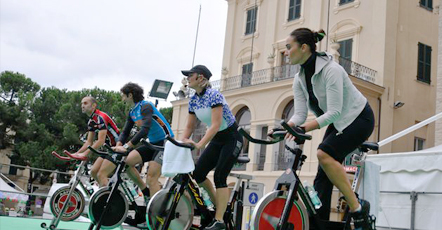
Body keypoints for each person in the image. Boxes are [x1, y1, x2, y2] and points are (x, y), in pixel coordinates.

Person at [277, 28, 375, 230]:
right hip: (339, 122)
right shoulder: (299, 78)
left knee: (323, 153)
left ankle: (358, 208)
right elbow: (300, 115)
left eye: (288, 47)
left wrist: (305, 128)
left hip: (360, 118)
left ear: (303, 48)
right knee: (322, 177)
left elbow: (335, 112)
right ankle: (318, 224)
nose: (285, 52)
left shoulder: (332, 70)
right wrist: (288, 126)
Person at [181, 65, 243, 230]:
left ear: (201, 78)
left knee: (219, 176)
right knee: (198, 173)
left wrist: (200, 145)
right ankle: (220, 209)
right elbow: (190, 126)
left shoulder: (214, 95)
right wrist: (182, 140)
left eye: (190, 75)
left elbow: (215, 125)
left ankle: (220, 221)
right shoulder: (193, 99)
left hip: (232, 138)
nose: (187, 78)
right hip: (217, 140)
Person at [111, 82, 174, 203]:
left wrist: (126, 146)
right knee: (126, 162)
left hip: (166, 142)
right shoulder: (132, 111)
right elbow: (125, 132)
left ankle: (156, 213)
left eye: (123, 95)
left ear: (130, 95)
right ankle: (145, 191)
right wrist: (119, 144)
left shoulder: (146, 106)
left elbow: (145, 130)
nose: (121, 98)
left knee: (151, 177)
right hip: (153, 143)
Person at [72, 96, 120, 187]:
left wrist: (85, 154)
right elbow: (88, 142)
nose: (82, 106)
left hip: (117, 147)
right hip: (109, 149)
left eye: (85, 103)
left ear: (93, 105)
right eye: (82, 103)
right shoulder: (91, 121)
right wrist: (77, 153)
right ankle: (105, 190)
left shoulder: (101, 117)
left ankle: (107, 197)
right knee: (93, 172)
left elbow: (100, 141)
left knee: (101, 174)